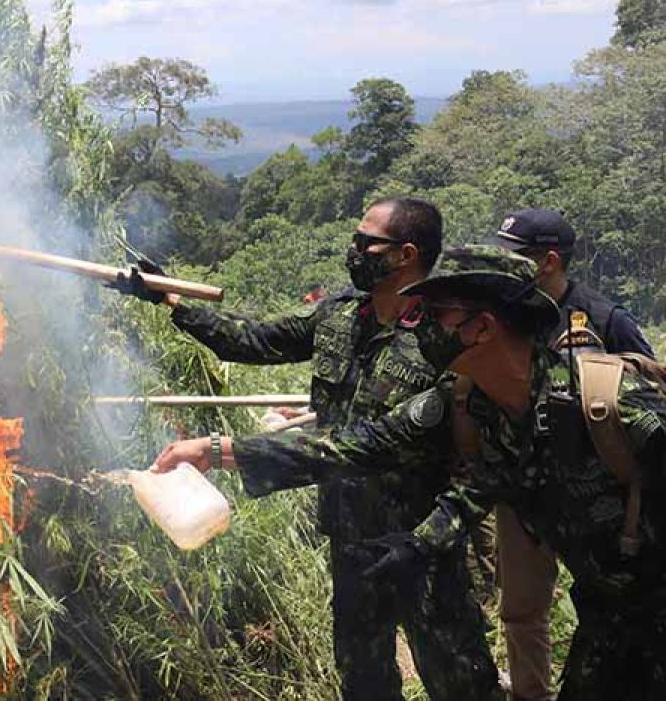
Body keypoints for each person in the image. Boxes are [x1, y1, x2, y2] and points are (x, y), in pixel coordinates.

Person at [155, 246, 666, 701]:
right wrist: (217, 451)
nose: (422, 325)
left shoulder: (606, 404)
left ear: (482, 328)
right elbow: (363, 445)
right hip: (609, 615)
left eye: (438, 314)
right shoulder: (468, 404)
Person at [112, 198, 500, 701]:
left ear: (406, 254)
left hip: (422, 542)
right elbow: (252, 340)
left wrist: (220, 449)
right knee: (363, 679)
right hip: (350, 534)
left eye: (366, 243)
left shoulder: (444, 337)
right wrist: (171, 301)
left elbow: (367, 447)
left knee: (459, 679)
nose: (354, 251)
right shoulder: (339, 316)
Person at [485, 208, 656, 701]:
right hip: (521, 492)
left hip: (594, 503)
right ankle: (531, 693)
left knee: (604, 605)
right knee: (521, 609)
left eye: (515, 256)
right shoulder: (506, 319)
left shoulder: (603, 319)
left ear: (548, 261)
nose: (504, 265)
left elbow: (646, 391)